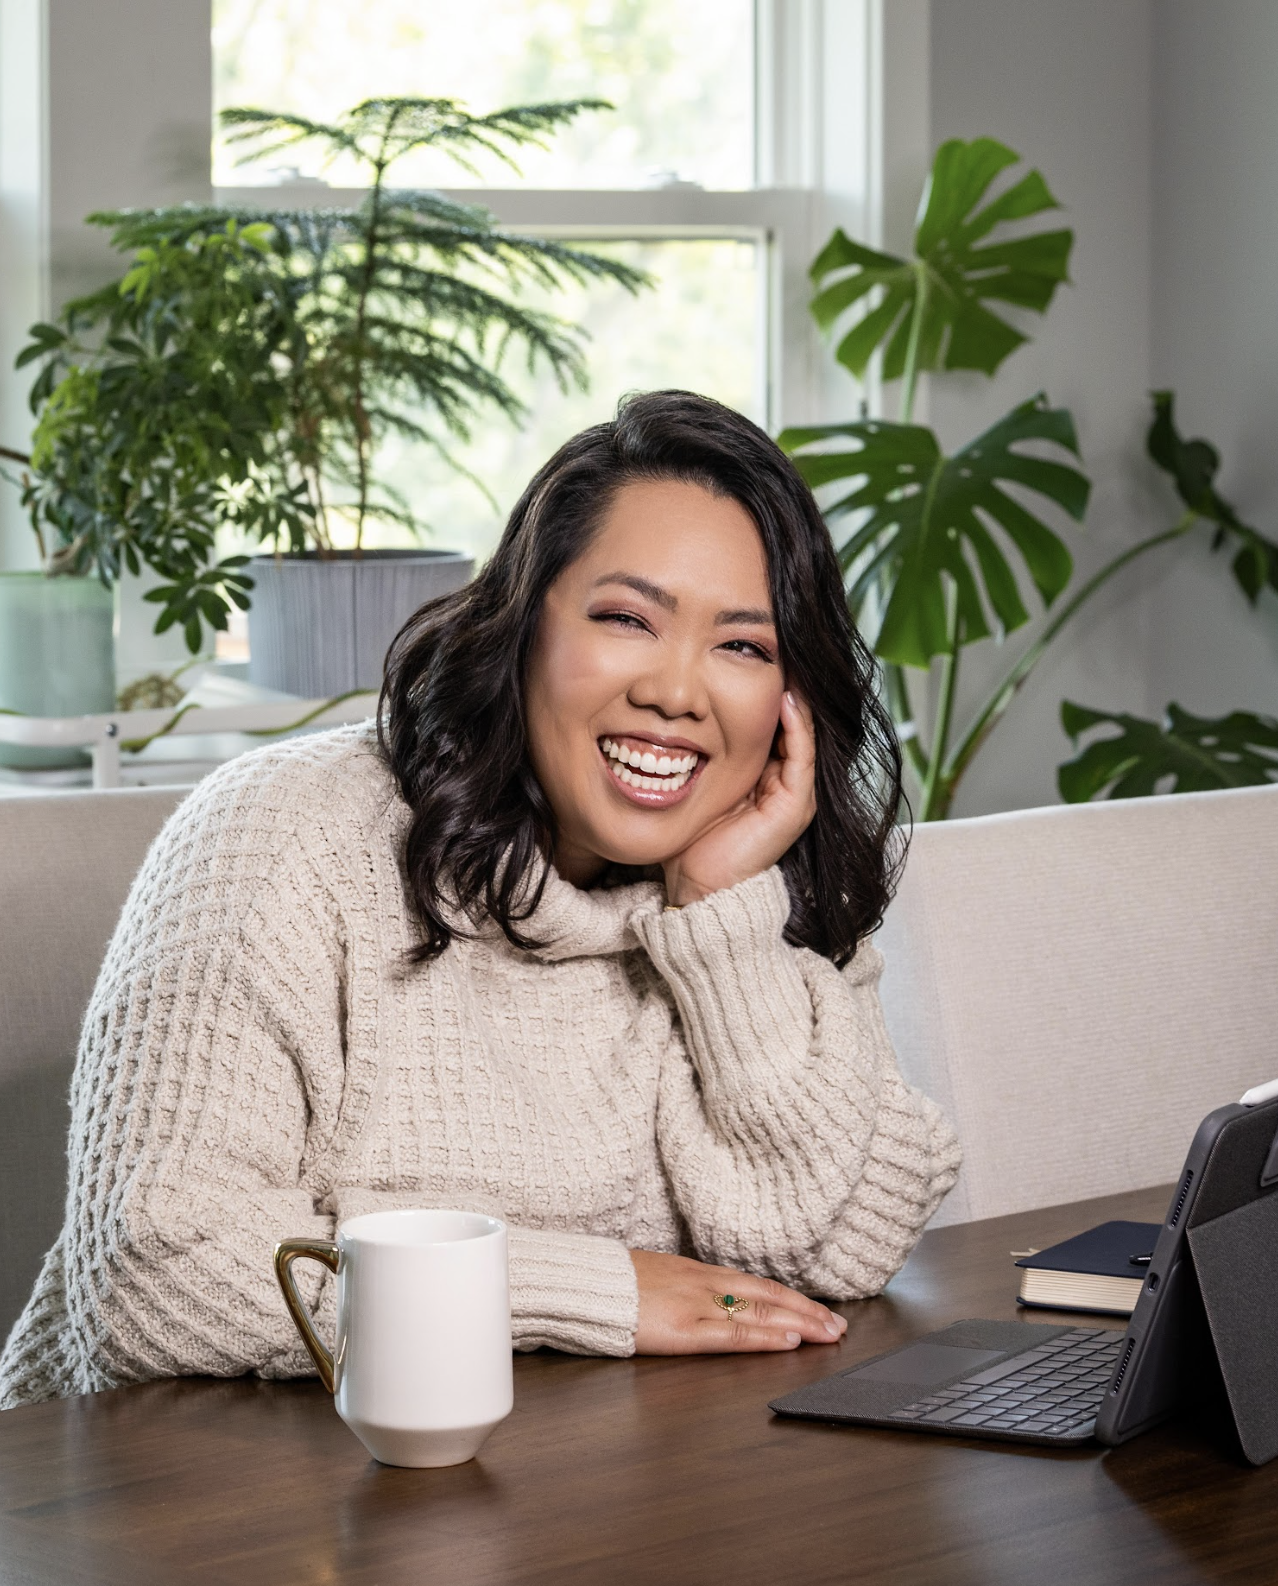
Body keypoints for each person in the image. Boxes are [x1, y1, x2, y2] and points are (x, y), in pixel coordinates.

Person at [0, 390, 959, 1409]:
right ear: (520, 626)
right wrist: (599, 1289)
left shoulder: (758, 892)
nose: (679, 693)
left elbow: (839, 1247)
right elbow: (154, 1273)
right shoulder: (288, 834)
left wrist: (722, 929)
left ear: (790, 700)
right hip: (186, 1502)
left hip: (577, 1490)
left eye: (743, 646)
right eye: (627, 618)